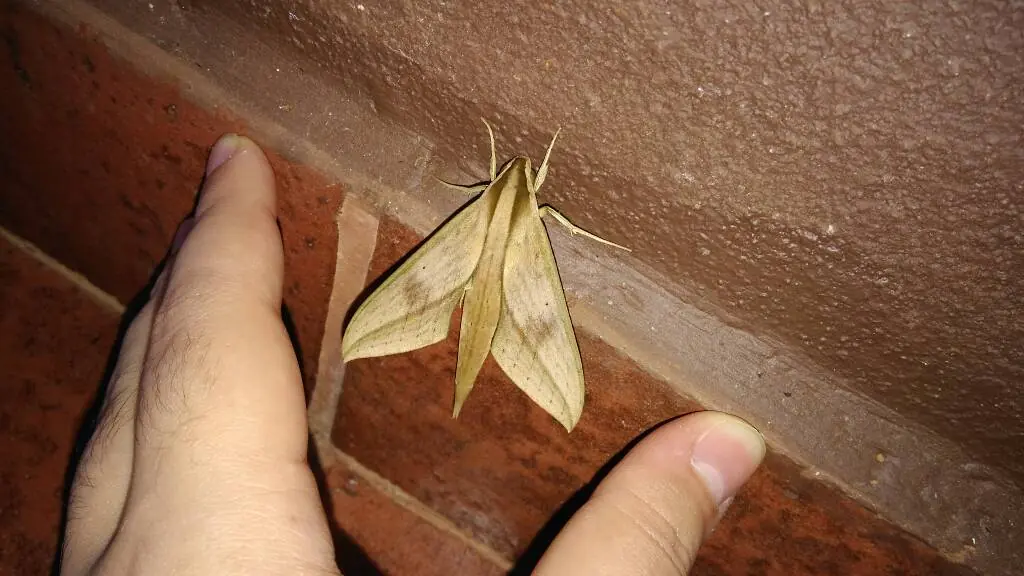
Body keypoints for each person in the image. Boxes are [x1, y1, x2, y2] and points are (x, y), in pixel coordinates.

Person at [59, 134, 766, 575]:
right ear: (529, 186)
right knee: (467, 329)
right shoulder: (527, 202)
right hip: (515, 285)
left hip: (486, 264)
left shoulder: (491, 199)